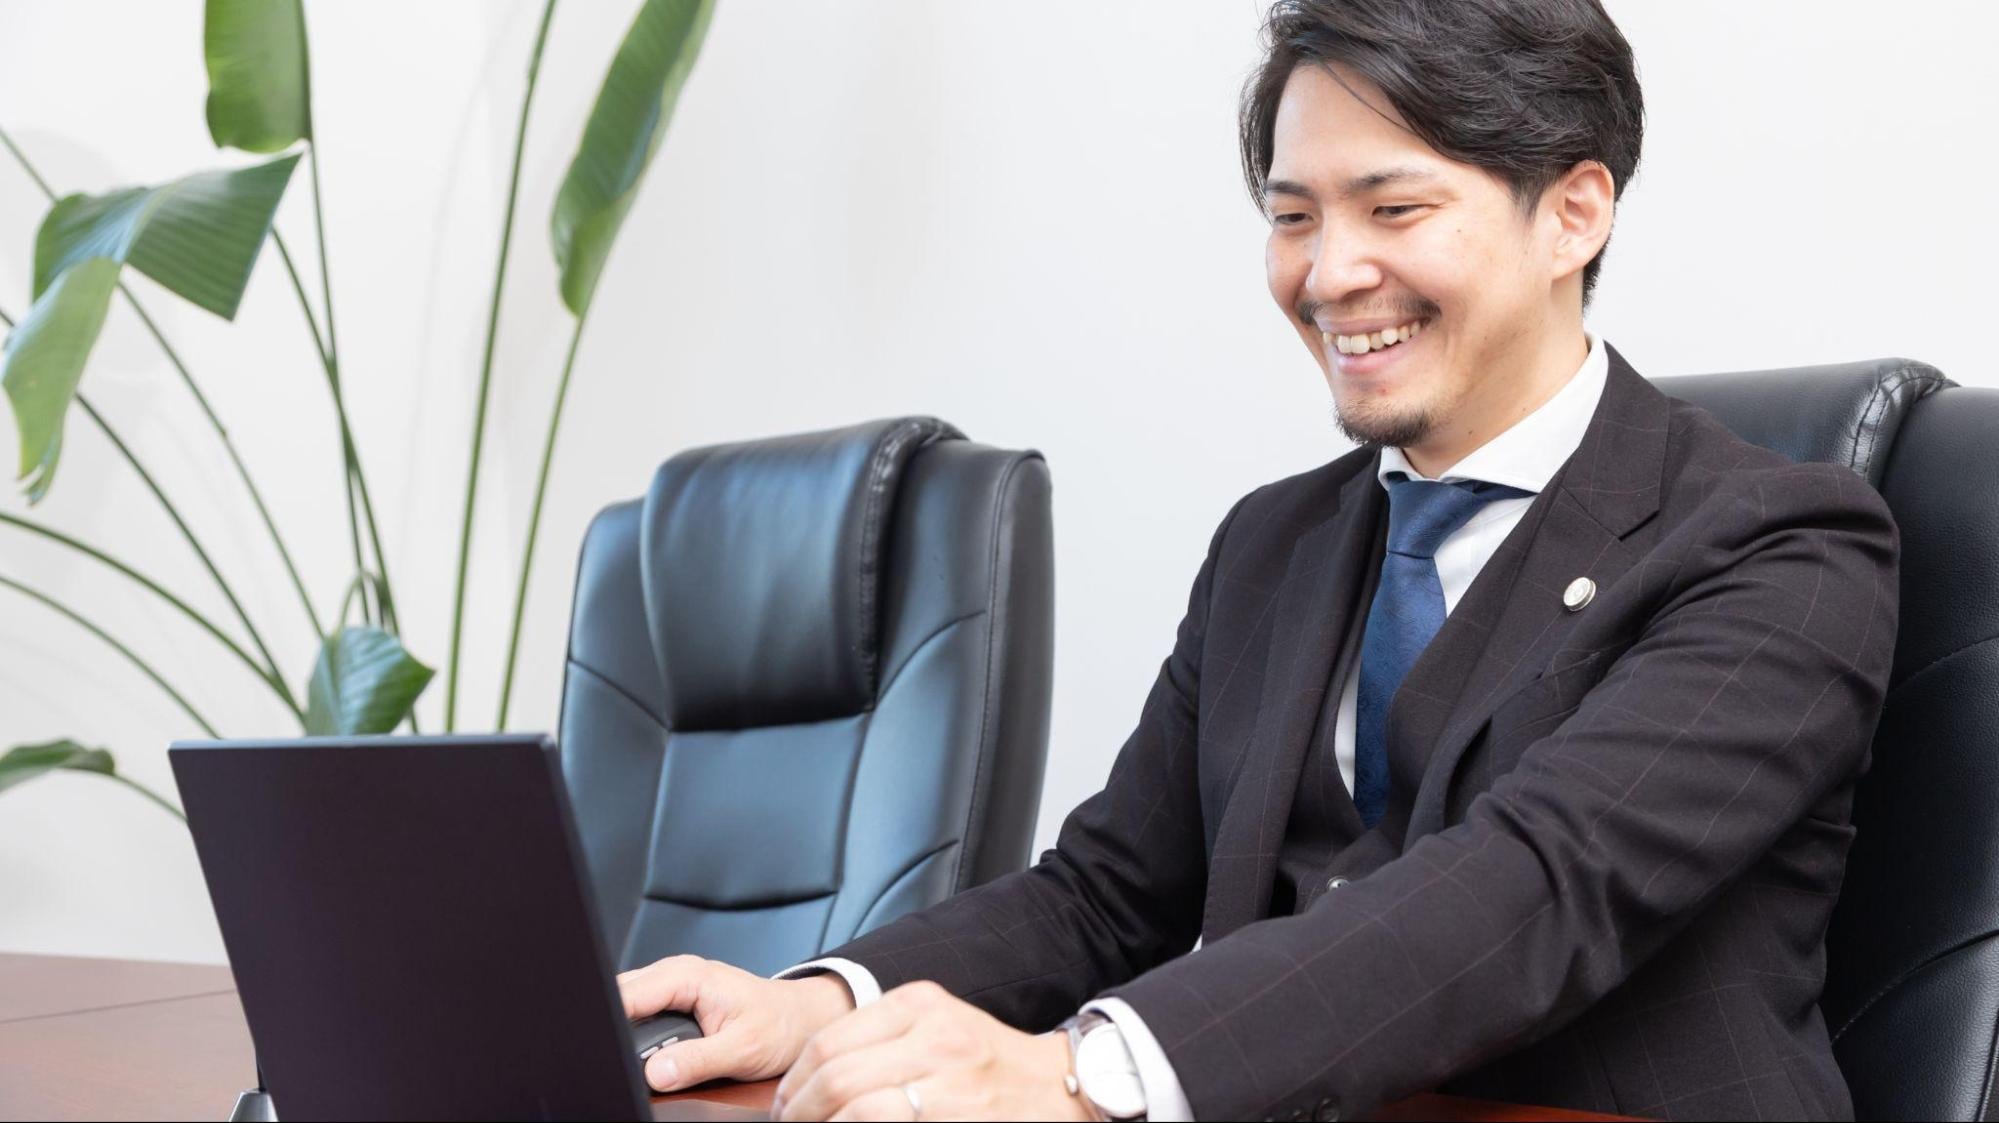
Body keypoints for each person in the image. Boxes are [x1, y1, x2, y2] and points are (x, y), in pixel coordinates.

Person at [618, 1, 1899, 1118]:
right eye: (1294, 218)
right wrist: (824, 1002)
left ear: (1572, 214)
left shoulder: (1782, 546)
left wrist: (1083, 1074)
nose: (1330, 275)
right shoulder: (1272, 544)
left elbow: (1533, 883)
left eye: (1393, 208)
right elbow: (1103, 897)